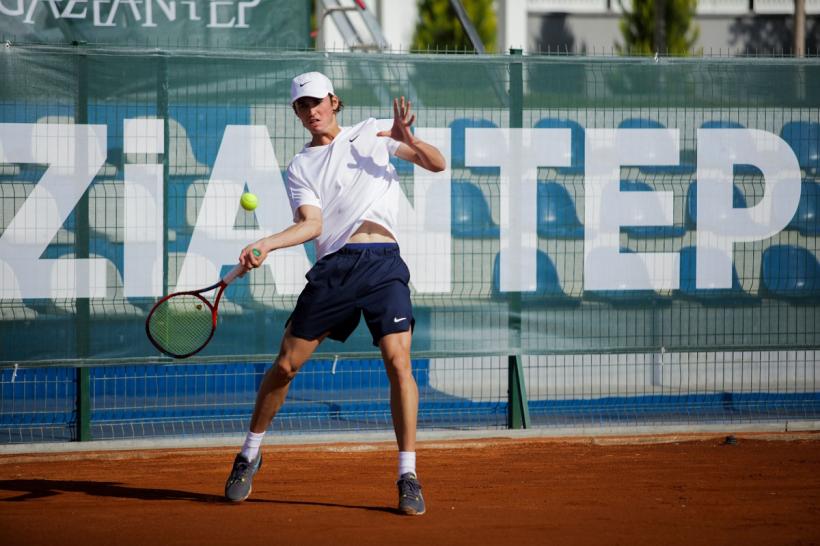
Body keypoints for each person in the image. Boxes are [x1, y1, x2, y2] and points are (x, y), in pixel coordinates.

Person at [223, 71, 446, 516]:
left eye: (317, 102)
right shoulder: (300, 166)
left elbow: (437, 164)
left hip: (383, 264)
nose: (312, 111)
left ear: (334, 101)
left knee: (399, 362)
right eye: (303, 105)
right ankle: (248, 453)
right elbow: (312, 225)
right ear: (297, 112)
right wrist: (267, 243)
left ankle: (407, 474)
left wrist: (410, 139)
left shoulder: (373, 132)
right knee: (285, 366)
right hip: (335, 271)